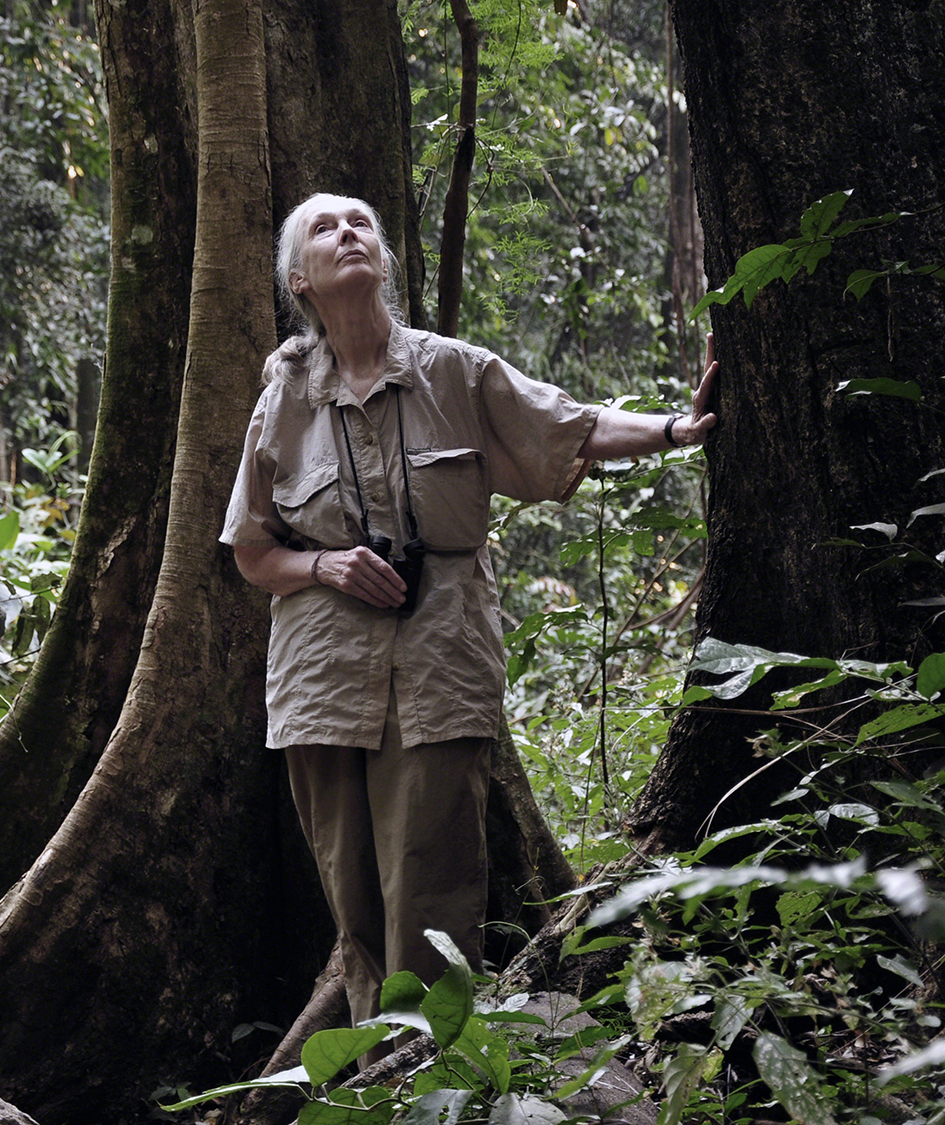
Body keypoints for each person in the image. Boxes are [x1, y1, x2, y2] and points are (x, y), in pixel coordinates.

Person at [220, 192, 716, 1044]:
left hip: (441, 657)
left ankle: (434, 1067)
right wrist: (325, 562)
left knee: (434, 881)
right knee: (354, 896)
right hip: (321, 674)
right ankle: (376, 1066)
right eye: (326, 228)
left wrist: (681, 427)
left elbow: (574, 427)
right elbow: (251, 551)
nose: (349, 233)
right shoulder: (284, 400)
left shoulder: (455, 369)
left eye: (361, 223)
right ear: (299, 278)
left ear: (383, 258)